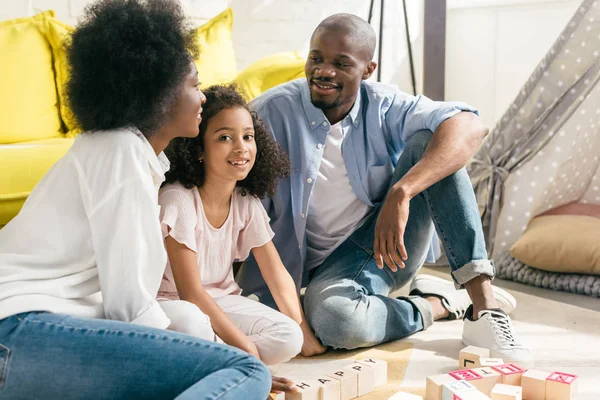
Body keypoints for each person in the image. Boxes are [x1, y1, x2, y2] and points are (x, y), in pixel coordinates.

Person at [0, 1, 271, 398]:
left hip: (41, 322)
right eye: (194, 85)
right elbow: (129, 308)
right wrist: (214, 361)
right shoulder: (119, 152)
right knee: (247, 371)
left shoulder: (138, 159)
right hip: (19, 329)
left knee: (191, 321)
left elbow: (133, 304)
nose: (202, 99)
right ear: (159, 92)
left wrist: (205, 351)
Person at [236, 13, 532, 366]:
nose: (323, 71)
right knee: (335, 322)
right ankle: (434, 305)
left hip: (380, 247)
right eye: (316, 58)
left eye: (340, 63)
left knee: (434, 141)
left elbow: (470, 126)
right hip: (300, 264)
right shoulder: (270, 113)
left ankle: (484, 309)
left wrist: (401, 192)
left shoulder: (384, 104)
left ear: (368, 69)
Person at [157, 84, 326, 368]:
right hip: (174, 305)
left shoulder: (245, 201)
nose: (241, 148)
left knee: (289, 337)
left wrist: (304, 333)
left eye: (248, 137)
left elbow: (276, 274)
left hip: (221, 300)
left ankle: (211, 357)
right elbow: (190, 292)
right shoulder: (178, 199)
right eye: (225, 137)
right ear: (199, 149)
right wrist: (246, 347)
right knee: (192, 325)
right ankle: (226, 357)